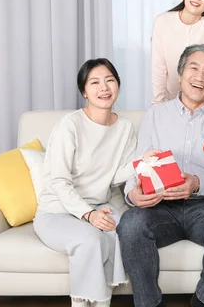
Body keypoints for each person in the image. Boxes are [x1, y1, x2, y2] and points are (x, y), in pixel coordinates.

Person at [117, 44, 204, 307]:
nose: (200, 77)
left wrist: (198, 184)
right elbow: (139, 164)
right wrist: (132, 193)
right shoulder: (154, 115)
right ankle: (149, 303)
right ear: (180, 74)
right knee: (130, 224)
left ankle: (203, 301)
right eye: (194, 68)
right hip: (161, 206)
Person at [34, 58, 139, 307]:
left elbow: (114, 176)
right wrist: (89, 215)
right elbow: (59, 182)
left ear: (118, 86)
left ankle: (102, 303)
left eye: (110, 80)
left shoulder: (125, 127)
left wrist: (142, 162)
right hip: (57, 211)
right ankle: (81, 303)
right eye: (95, 82)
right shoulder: (69, 126)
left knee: (121, 229)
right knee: (90, 240)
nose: (104, 88)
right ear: (84, 92)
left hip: (99, 205)